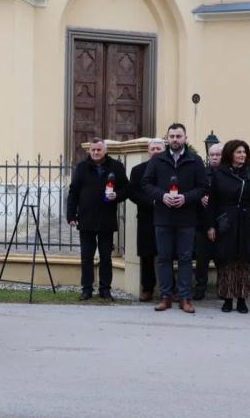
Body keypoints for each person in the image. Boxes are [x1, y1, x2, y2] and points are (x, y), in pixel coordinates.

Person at [143, 123, 207, 313]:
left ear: (185, 138)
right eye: (171, 136)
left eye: (179, 136)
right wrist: (162, 196)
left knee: (186, 258)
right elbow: (146, 184)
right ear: (167, 138)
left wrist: (185, 198)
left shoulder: (195, 161)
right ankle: (165, 297)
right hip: (163, 217)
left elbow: (203, 187)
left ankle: (185, 297)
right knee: (163, 258)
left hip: (186, 218)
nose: (175, 140)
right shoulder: (157, 160)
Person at [206, 140, 250, 314]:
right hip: (226, 222)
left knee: (245, 259)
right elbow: (213, 203)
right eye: (239, 152)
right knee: (226, 259)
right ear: (231, 153)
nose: (242, 155)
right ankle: (227, 297)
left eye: (245, 152)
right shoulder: (219, 174)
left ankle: (242, 298)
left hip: (248, 221)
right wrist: (211, 226)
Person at [67, 137, 129, 300]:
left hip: (106, 219)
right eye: (93, 150)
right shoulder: (81, 167)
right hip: (86, 219)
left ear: (105, 150)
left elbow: (126, 189)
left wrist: (117, 195)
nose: (95, 152)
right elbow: (73, 192)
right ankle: (86, 289)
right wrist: (71, 215)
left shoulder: (116, 167)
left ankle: (105, 289)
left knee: (105, 257)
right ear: (90, 151)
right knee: (86, 257)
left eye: (98, 149)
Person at [128, 138, 165, 302]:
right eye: (153, 148)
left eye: (159, 148)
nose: (156, 151)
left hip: (167, 216)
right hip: (146, 217)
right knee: (147, 255)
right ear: (148, 150)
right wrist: (153, 202)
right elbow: (133, 193)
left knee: (168, 254)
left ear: (164, 150)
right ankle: (147, 288)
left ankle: (169, 289)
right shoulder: (137, 170)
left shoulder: (171, 169)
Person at [193, 142, 223, 300]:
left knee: (222, 258)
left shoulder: (227, 173)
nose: (215, 158)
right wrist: (201, 198)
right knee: (201, 259)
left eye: (218, 155)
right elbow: (194, 191)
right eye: (212, 155)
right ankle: (200, 288)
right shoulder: (202, 173)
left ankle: (222, 288)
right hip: (202, 222)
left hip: (221, 223)